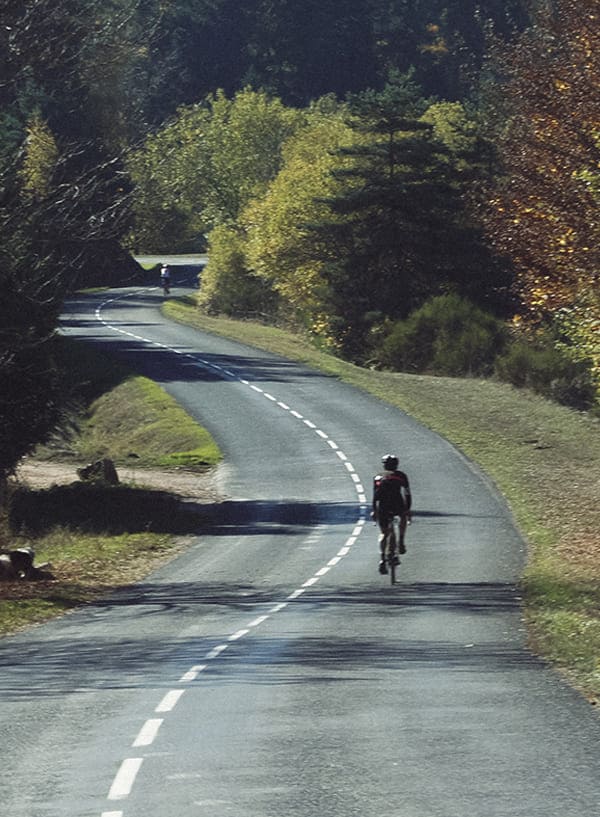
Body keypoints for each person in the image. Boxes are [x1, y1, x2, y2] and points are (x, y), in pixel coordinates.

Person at [372, 454, 412, 575]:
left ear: (384, 465)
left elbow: (375, 497)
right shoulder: (401, 476)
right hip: (397, 504)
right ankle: (401, 541)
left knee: (384, 533)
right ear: (396, 465)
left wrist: (374, 510)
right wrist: (408, 509)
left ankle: (382, 558)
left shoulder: (378, 477)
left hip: (383, 506)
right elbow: (407, 494)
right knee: (403, 517)